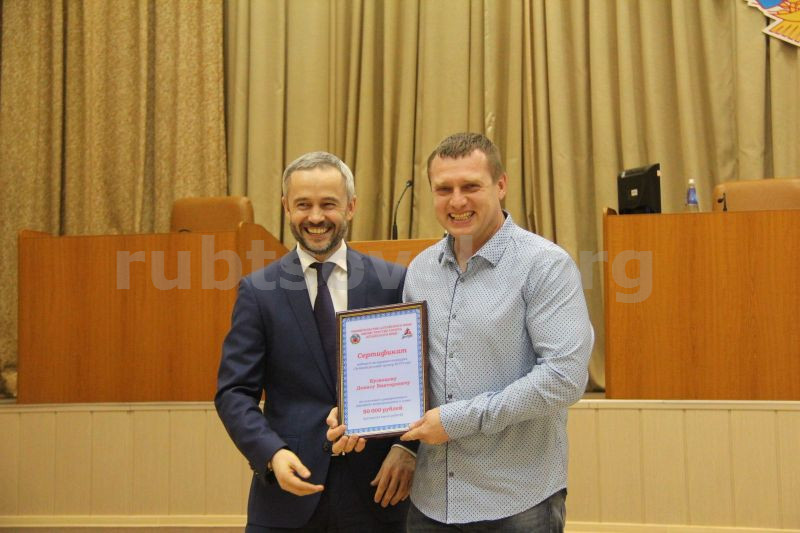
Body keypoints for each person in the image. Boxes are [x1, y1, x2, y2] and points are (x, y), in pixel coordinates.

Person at [328, 133, 593, 531]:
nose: (456, 201)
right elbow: (412, 374)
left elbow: (563, 379)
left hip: (517, 501)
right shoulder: (420, 271)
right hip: (431, 500)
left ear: (500, 185)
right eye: (444, 189)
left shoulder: (545, 266)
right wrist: (361, 415)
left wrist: (457, 421)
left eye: (470, 186)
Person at [216, 151, 416, 532]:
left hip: (378, 495)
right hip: (286, 495)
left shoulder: (393, 283)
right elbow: (234, 392)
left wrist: (407, 448)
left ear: (351, 206)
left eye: (328, 204)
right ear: (286, 207)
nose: (315, 217)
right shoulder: (258, 292)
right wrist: (271, 453)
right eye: (303, 205)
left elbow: (420, 379)